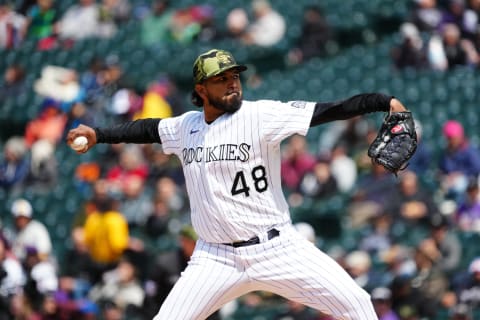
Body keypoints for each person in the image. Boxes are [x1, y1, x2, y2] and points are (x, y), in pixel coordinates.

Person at [67, 48, 413, 320]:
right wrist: (98, 134)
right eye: (221, 78)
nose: (233, 82)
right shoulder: (185, 126)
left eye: (235, 75)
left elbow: (329, 110)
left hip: (278, 248)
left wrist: (382, 102)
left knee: (357, 304)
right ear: (201, 89)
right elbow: (146, 129)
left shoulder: (261, 115)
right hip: (215, 257)